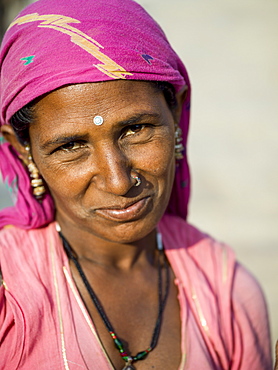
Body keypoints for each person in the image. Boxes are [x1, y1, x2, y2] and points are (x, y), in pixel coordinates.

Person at [0, 0, 272, 369]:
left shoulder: (227, 293)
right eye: (70, 146)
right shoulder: (9, 296)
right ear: (23, 149)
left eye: (136, 129)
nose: (118, 181)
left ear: (174, 112)